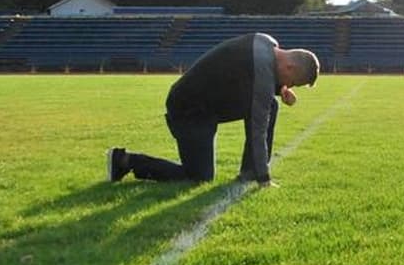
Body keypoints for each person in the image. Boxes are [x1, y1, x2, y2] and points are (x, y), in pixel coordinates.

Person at [107, 32, 319, 186]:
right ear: (289, 67)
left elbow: (246, 79)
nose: (289, 87)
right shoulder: (262, 67)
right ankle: (124, 160)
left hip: (207, 105)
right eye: (293, 83)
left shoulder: (265, 43)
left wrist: (277, 89)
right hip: (189, 109)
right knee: (199, 177)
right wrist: (265, 179)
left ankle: (250, 171)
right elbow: (258, 130)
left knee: (269, 104)